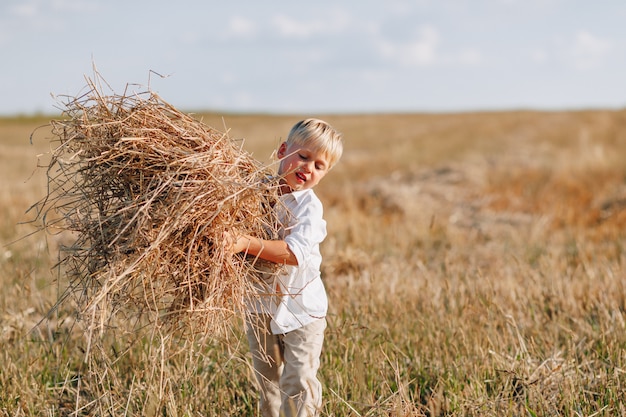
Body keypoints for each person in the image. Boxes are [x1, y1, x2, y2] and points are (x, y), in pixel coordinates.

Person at [223, 118, 343, 417]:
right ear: (282, 151)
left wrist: (244, 243)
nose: (308, 168)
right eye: (303, 157)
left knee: (298, 379)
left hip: (301, 309)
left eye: (319, 165)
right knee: (268, 383)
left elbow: (294, 253)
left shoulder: (307, 207)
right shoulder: (253, 193)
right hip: (259, 304)